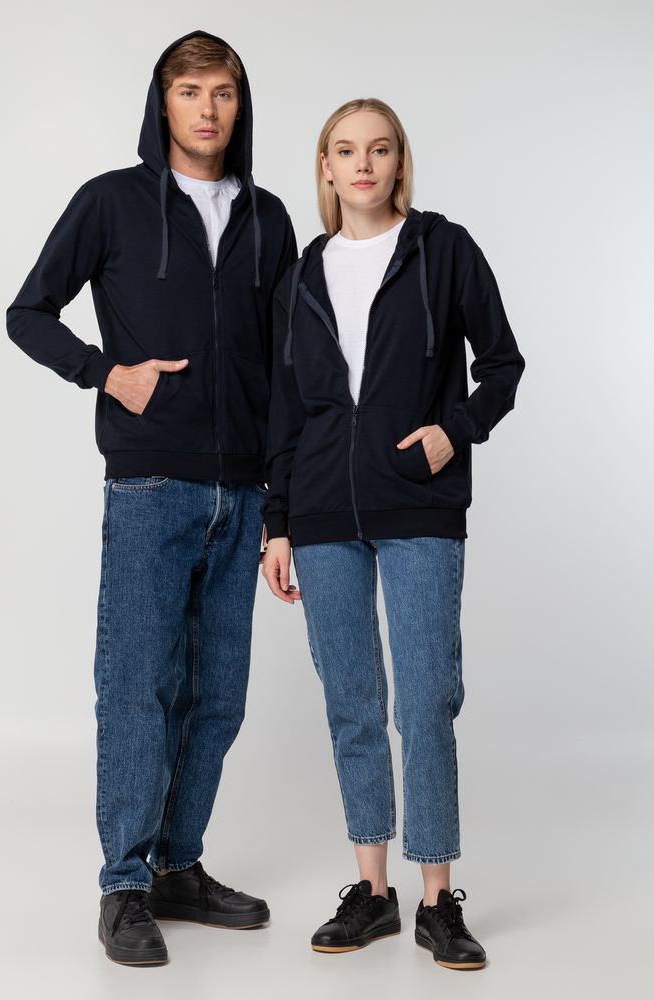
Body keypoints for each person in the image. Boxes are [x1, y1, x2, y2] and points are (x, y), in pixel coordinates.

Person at [6, 30, 296, 966]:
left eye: (223, 92)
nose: (208, 108)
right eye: (189, 90)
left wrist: (282, 500)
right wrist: (104, 373)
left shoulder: (269, 218)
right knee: (137, 688)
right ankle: (124, 885)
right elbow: (26, 312)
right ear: (161, 101)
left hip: (242, 489)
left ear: (240, 105)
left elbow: (289, 367)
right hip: (149, 482)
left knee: (216, 697)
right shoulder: (112, 202)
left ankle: (177, 865)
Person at [260, 97, 525, 969]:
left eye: (378, 149)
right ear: (326, 168)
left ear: (398, 162)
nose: (363, 164)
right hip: (321, 510)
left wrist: (456, 429)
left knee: (424, 700)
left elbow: (501, 364)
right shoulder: (301, 275)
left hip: (418, 504)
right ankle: (370, 892)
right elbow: (284, 409)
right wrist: (276, 525)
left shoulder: (443, 249)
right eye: (345, 151)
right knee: (352, 704)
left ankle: (437, 899)